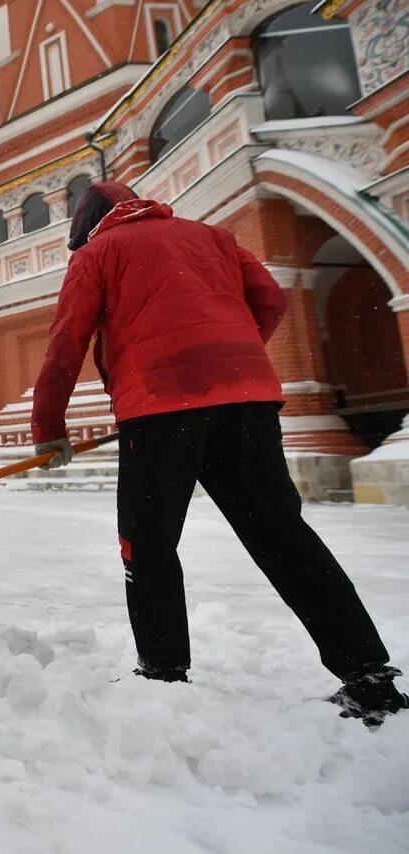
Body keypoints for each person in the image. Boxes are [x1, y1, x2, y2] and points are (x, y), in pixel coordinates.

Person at [30, 180, 405, 725]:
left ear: (88, 224)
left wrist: (48, 428)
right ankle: (369, 675)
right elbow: (271, 299)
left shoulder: (98, 253)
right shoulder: (214, 237)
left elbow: (67, 339)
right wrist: (235, 358)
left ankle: (163, 674)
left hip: (158, 408)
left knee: (148, 543)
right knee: (282, 535)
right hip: (248, 402)